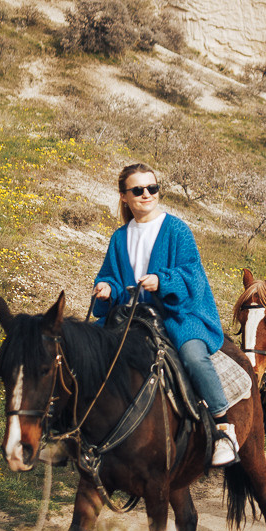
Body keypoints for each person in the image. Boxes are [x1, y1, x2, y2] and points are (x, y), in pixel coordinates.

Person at [93, 162, 241, 467]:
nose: (147, 194)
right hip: (134, 315)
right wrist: (106, 288)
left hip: (178, 313)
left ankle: (224, 428)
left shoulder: (176, 229)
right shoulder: (119, 237)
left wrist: (163, 281)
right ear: (124, 196)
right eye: (138, 190)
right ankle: (80, 430)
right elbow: (111, 276)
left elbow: (193, 275)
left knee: (192, 355)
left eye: (153, 188)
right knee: (88, 348)